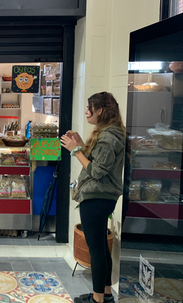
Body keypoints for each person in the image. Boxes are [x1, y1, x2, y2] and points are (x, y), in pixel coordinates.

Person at [60, 92, 125, 303]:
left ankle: (97, 299)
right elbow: (98, 162)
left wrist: (75, 151)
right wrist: (81, 144)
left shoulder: (108, 137)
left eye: (90, 108)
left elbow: (96, 171)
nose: (86, 112)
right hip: (101, 197)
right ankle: (105, 292)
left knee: (96, 250)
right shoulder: (108, 133)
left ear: (101, 111)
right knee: (101, 249)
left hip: (97, 198)